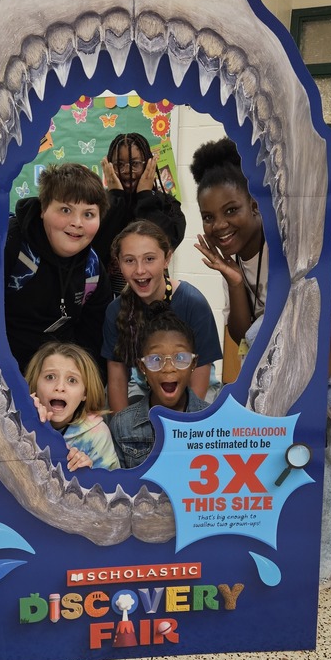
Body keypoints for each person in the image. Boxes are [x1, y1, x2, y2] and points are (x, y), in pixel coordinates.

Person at [191, 136, 331, 589]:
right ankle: (279, 538)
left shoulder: (300, 240)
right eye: (209, 217)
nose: (219, 225)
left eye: (230, 210)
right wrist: (233, 280)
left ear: (257, 205)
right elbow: (242, 334)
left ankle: (323, 565)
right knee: (292, 442)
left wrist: (313, 387)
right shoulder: (240, 259)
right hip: (317, 346)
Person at [101, 220, 222, 413]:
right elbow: (117, 379)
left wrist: (185, 428)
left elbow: (200, 374)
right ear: (119, 263)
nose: (140, 270)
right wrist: (122, 430)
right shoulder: (115, 311)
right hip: (145, 387)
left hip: (193, 389)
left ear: (167, 259)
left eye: (149, 259)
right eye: (129, 260)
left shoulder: (193, 303)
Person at [5, 163, 112, 376]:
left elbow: (93, 345)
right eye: (66, 210)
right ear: (43, 209)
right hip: (3, 375)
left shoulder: (92, 270)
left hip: (56, 384)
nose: (77, 223)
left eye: (89, 214)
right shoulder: (10, 244)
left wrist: (85, 397)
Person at [110, 308, 209, 468]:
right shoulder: (122, 424)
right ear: (142, 366)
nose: (168, 368)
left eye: (180, 358)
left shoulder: (212, 422)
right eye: (156, 359)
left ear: (194, 364)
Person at [95, 132, 186, 292]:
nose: (125, 171)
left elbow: (167, 243)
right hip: (106, 300)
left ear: (148, 164)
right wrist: (115, 197)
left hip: (154, 299)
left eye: (135, 163)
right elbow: (97, 247)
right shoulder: (99, 204)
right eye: (119, 164)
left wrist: (145, 198)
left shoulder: (166, 203)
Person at [24, 341, 119, 471]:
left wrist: (88, 474)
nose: (60, 387)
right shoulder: (20, 422)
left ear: (84, 393)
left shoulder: (97, 434)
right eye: (50, 377)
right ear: (35, 384)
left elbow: (108, 486)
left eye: (72, 380)